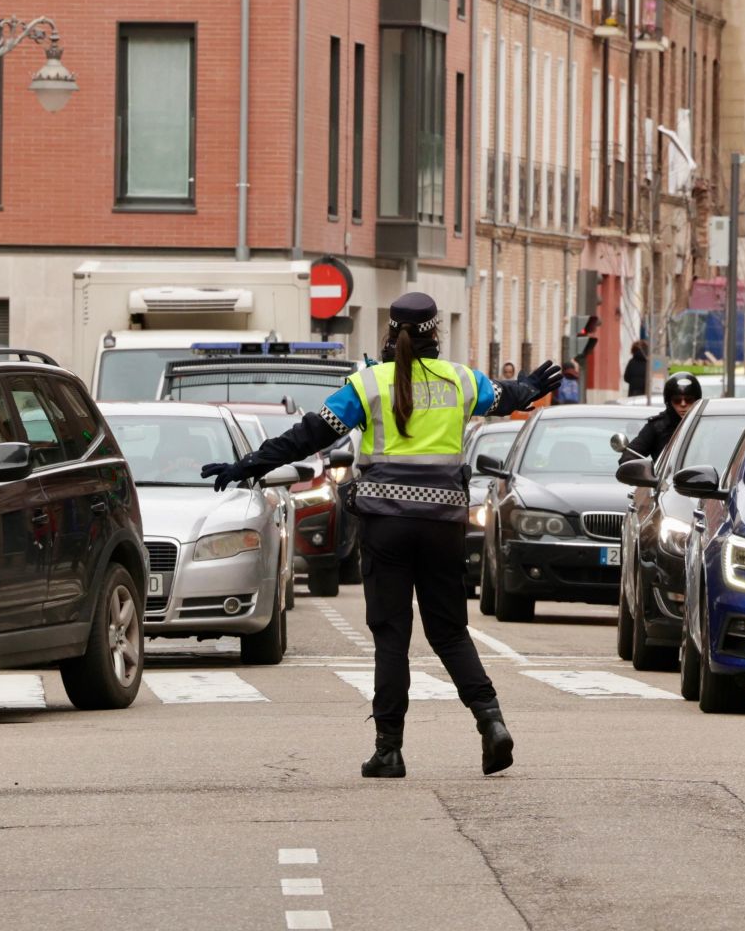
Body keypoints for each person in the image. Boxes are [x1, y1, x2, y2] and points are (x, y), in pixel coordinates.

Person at [199, 292, 559, 779]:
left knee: (392, 636)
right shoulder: (461, 381)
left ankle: (389, 749)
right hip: (443, 528)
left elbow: (307, 435)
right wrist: (529, 385)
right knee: (449, 632)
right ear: (437, 335)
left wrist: (248, 465)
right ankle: (490, 721)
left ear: (391, 335)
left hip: (386, 527)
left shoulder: (367, 385)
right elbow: (505, 397)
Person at [620, 372, 704, 462]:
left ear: (696, 400)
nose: (683, 404)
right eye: (677, 400)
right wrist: (648, 472)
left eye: (689, 400)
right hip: (667, 476)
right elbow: (629, 457)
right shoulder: (657, 426)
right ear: (669, 402)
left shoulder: (706, 423)